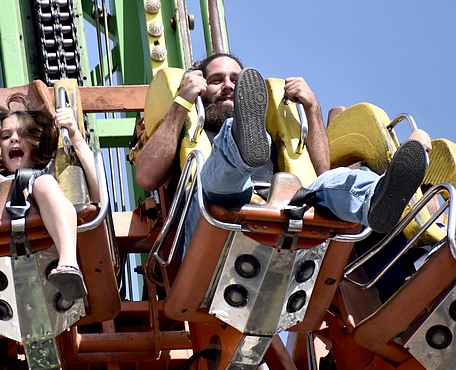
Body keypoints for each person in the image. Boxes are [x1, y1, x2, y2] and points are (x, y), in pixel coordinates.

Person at [134, 53, 429, 252]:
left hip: (286, 215)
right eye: (216, 80)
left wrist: (312, 109)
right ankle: (239, 148)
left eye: (236, 81)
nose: (228, 87)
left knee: (333, 183)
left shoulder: (273, 136)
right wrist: (181, 102)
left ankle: (375, 200)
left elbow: (323, 172)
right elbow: (146, 176)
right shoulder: (188, 130)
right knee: (226, 161)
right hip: (216, 215)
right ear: (200, 88)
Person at [0, 77, 99, 312]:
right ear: (0, 148)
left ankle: (68, 265)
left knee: (44, 184)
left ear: (34, 142)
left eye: (22, 134)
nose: (13, 139)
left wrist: (75, 137)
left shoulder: (49, 173)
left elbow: (95, 193)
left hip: (43, 221)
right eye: (6, 136)